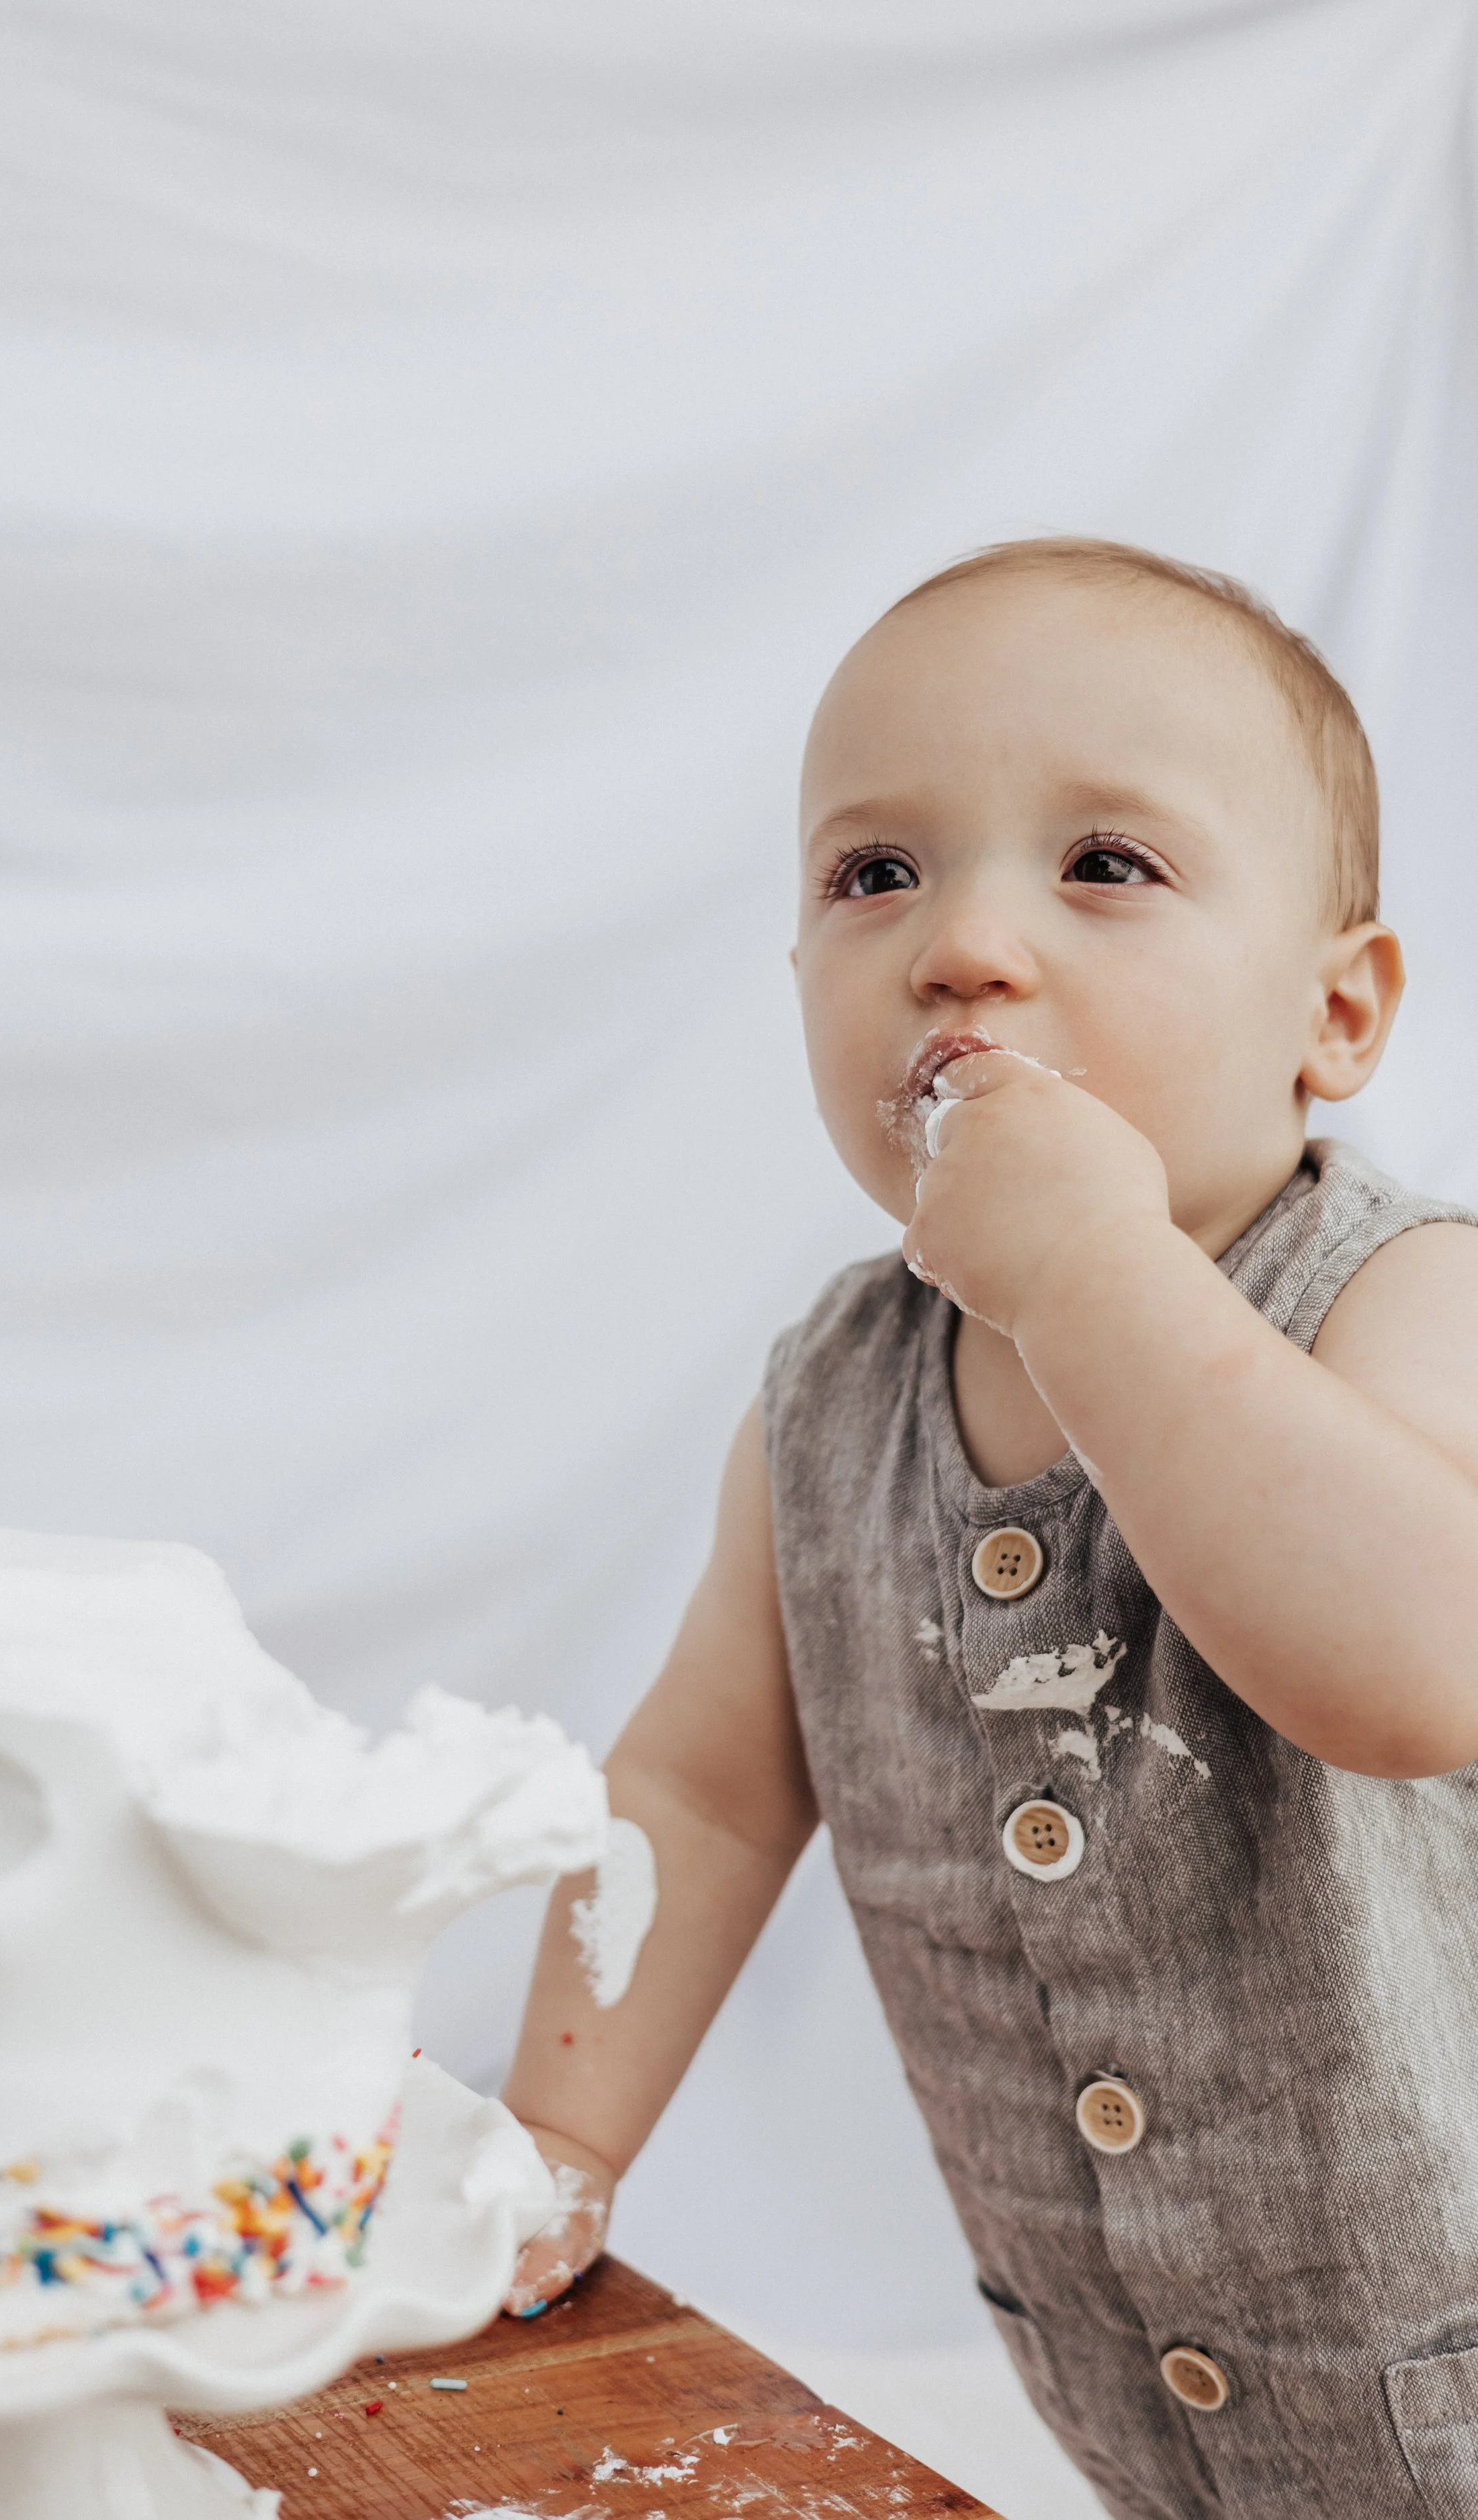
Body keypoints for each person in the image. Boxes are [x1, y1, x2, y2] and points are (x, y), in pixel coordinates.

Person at [498, 538, 1478, 2520]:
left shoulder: (1397, 1296)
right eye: (874, 874)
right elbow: (692, 1794)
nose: (961, 945)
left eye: (1102, 865)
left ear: (1336, 1008)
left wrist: (1095, 1269)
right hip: (1142, 2406)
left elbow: (1409, 1668)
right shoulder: (828, 1403)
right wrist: (546, 2140)